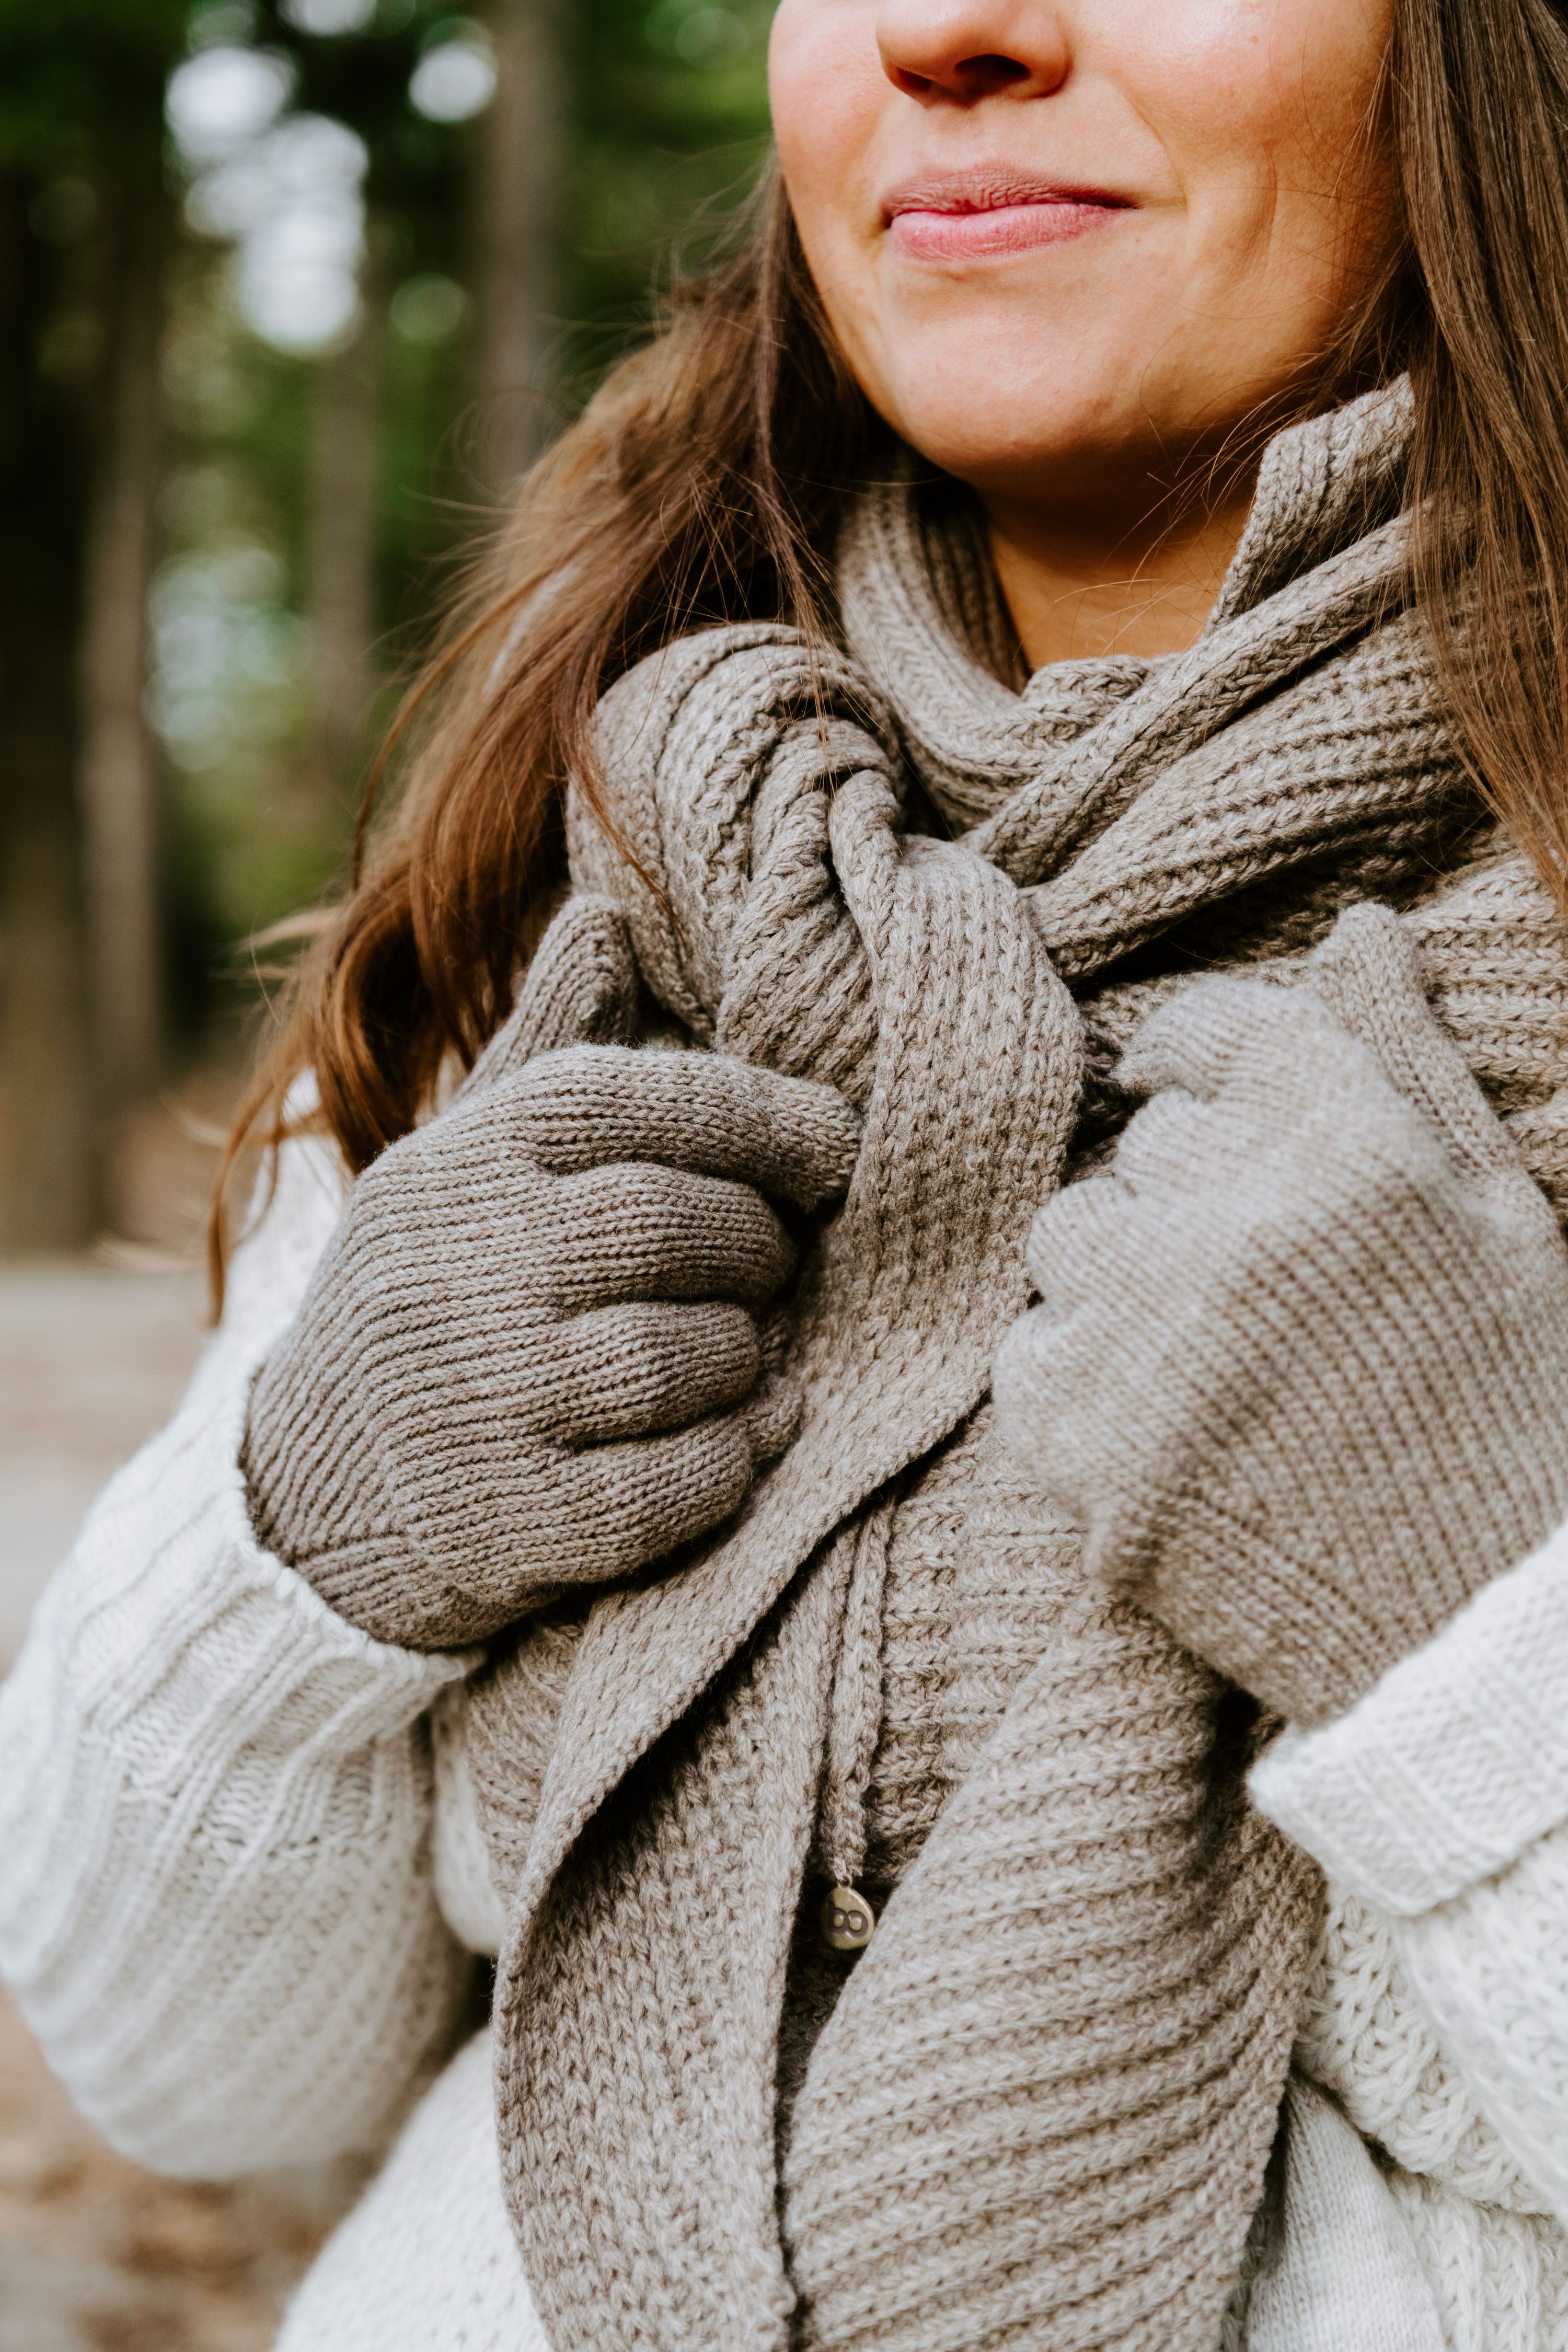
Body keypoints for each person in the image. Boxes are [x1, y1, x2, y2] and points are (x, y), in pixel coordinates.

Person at [6, 0, 1568, 2342]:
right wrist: (306, 1547)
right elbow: (185, 2073)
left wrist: (1465, 1625)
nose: (953, 30)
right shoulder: (596, 888)